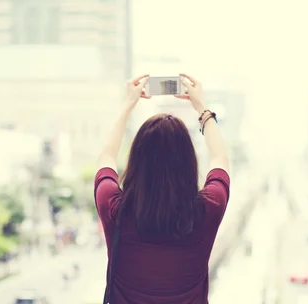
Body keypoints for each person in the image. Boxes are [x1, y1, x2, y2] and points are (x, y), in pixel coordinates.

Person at [94, 73, 229, 303]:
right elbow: (220, 160)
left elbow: (106, 156)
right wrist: (202, 108)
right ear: (188, 162)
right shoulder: (209, 208)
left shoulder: (114, 207)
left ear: (136, 160)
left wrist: (128, 105)